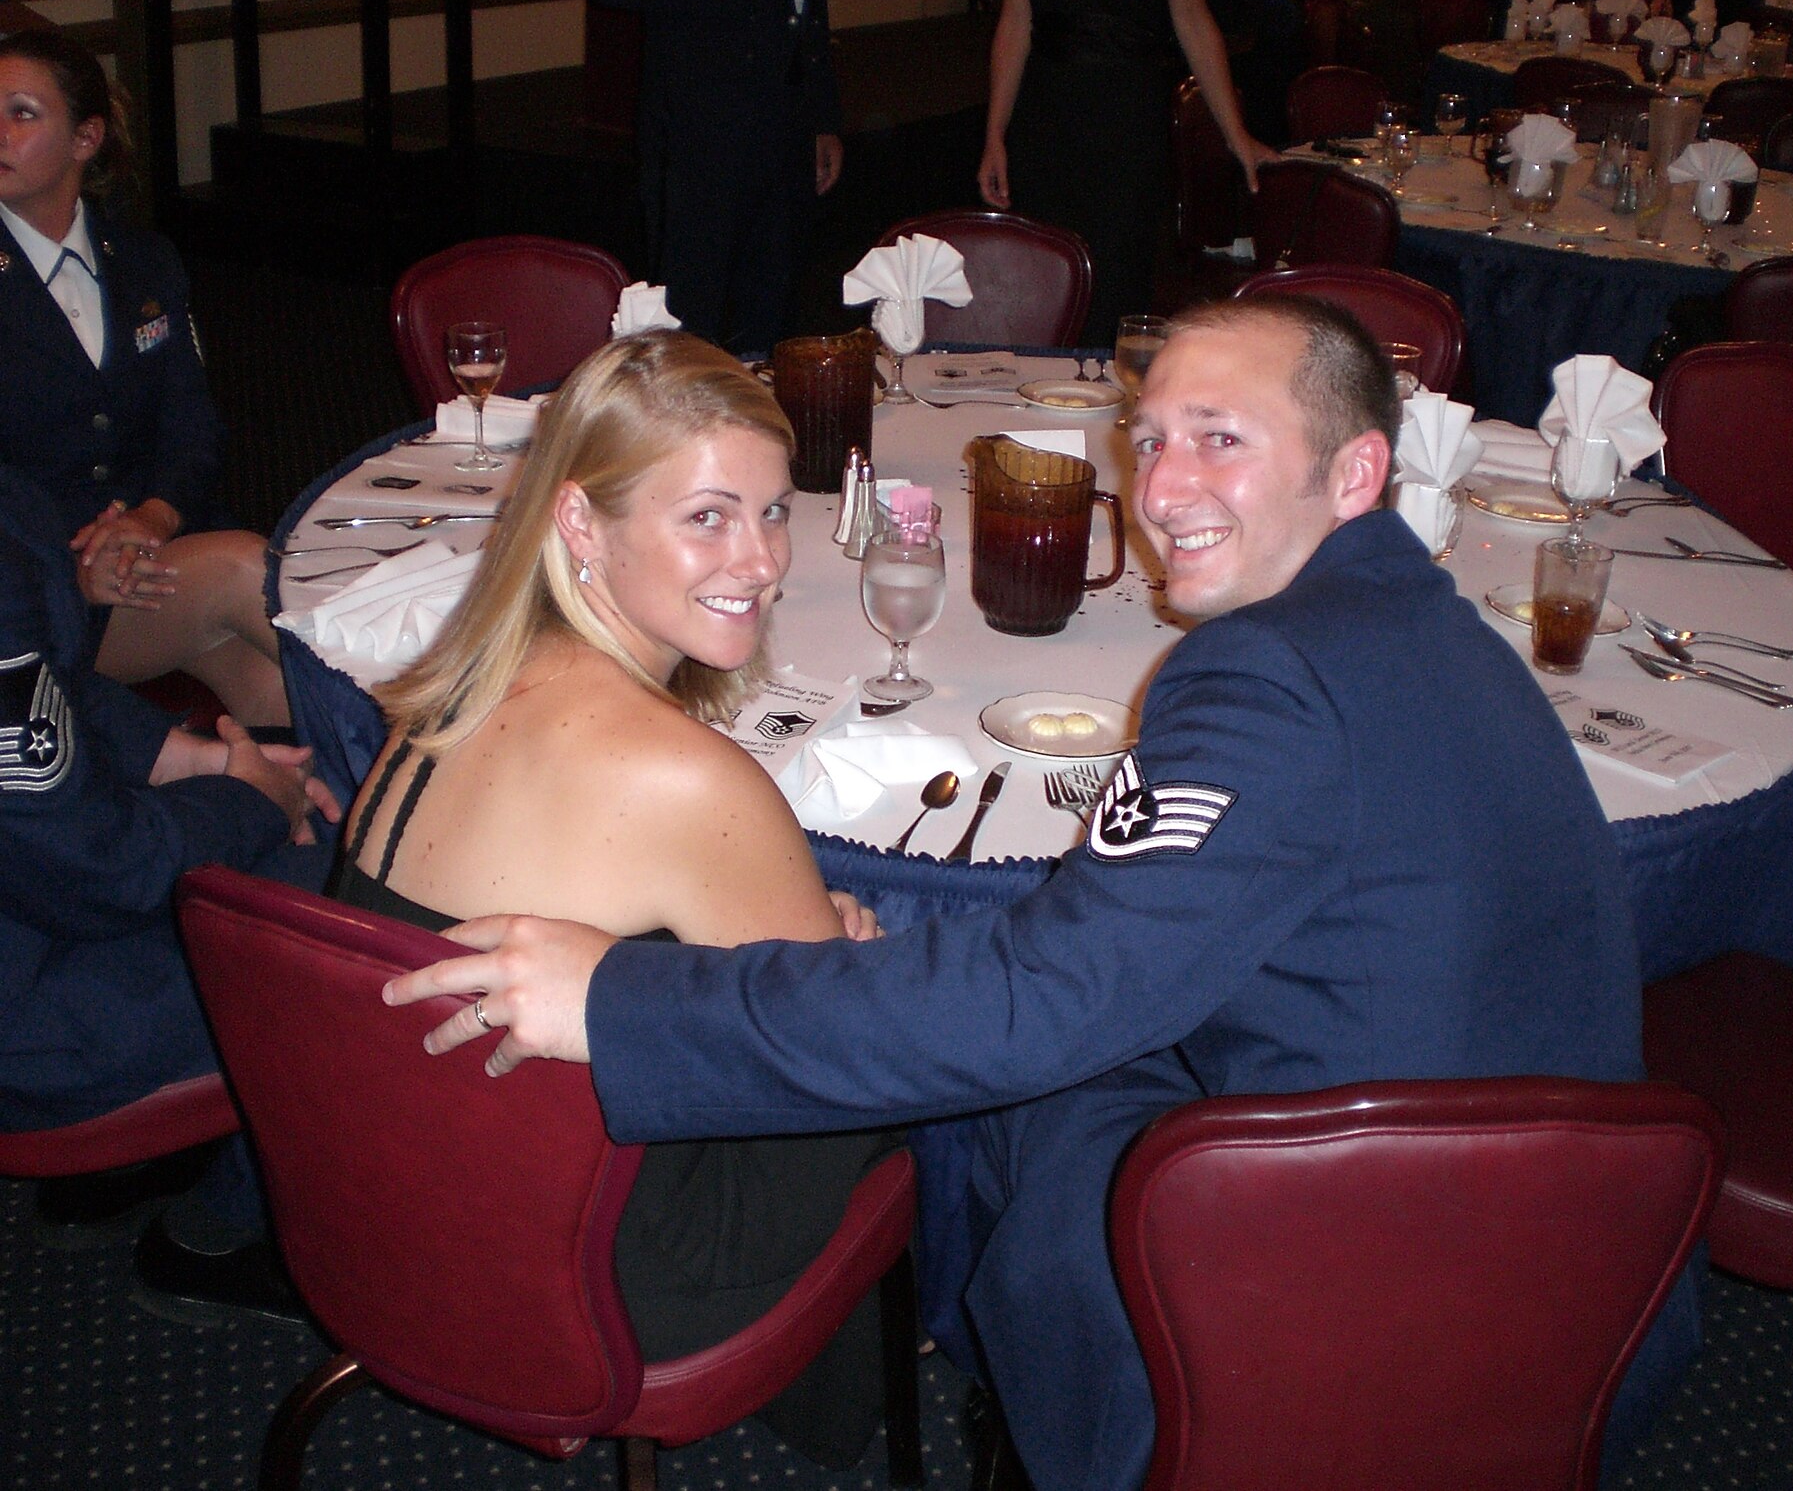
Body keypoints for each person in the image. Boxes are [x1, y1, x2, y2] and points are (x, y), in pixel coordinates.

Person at [384, 297, 1698, 1490]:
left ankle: (1066, 1431)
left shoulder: (1266, 682)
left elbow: (1033, 1000)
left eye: (1220, 440)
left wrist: (622, 1000)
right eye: (1155, 435)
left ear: (1354, 471)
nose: (1164, 481)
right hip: (1570, 1286)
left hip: (1341, 1305)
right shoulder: (1425, 628)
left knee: (1023, 1081)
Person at [333, 329, 896, 1468]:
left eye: (774, 510)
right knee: (914, 1045)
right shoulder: (683, 781)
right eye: (706, 517)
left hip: (409, 1211)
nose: (762, 559)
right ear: (581, 524)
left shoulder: (442, 694)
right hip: (607, 1265)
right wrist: (847, 968)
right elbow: (835, 1061)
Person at [0, 478, 337, 1316]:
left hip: (42, 901)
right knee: (373, 902)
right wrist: (255, 801)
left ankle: (121, 1176)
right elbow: (105, 872)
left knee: (307, 785)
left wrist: (193, 759)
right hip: (35, 1011)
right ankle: (220, 1231)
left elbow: (47, 679)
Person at [0, 28, 288, 727]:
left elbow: (194, 429)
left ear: (85, 138)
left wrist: (152, 518)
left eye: (22, 112)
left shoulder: (144, 262)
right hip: (43, 601)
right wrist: (72, 573)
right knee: (247, 571)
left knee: (270, 688)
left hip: (154, 557)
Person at [977, 0, 1280, 345]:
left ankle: (1108, 386)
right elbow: (1015, 24)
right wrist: (994, 134)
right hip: (1046, 119)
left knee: (1118, 270)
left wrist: (1235, 135)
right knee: (1042, 271)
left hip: (1128, 117)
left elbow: (1193, 22)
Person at [591, 0, 844, 356]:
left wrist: (823, 118)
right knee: (688, 320)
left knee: (773, 319)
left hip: (786, 133)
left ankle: (760, 408)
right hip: (698, 140)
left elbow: (806, 12)